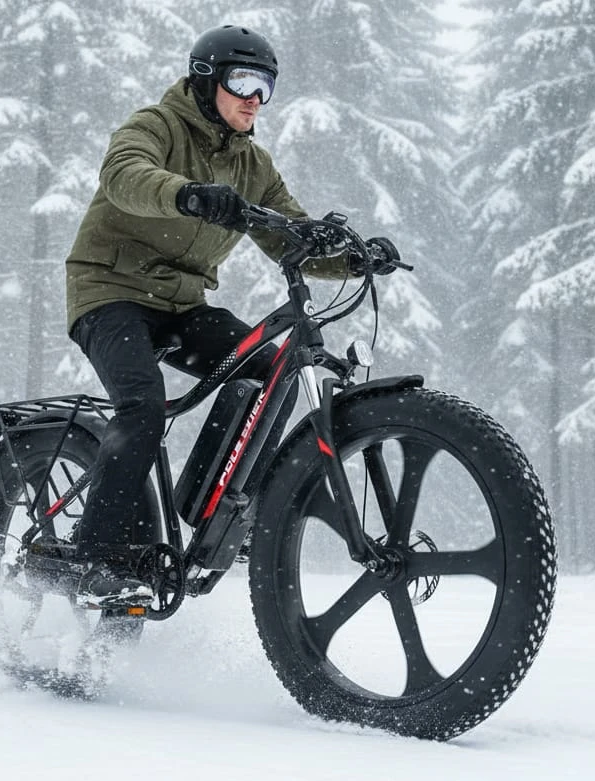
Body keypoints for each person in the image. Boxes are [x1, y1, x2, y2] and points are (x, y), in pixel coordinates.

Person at [64, 25, 364, 607]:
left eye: (266, 87)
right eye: (243, 81)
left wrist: (353, 257)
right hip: (108, 294)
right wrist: (188, 193)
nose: (255, 98)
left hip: (181, 307)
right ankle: (94, 555)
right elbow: (124, 176)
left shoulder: (253, 165)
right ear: (206, 82)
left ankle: (212, 506)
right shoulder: (155, 125)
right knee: (142, 404)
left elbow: (290, 236)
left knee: (268, 373)